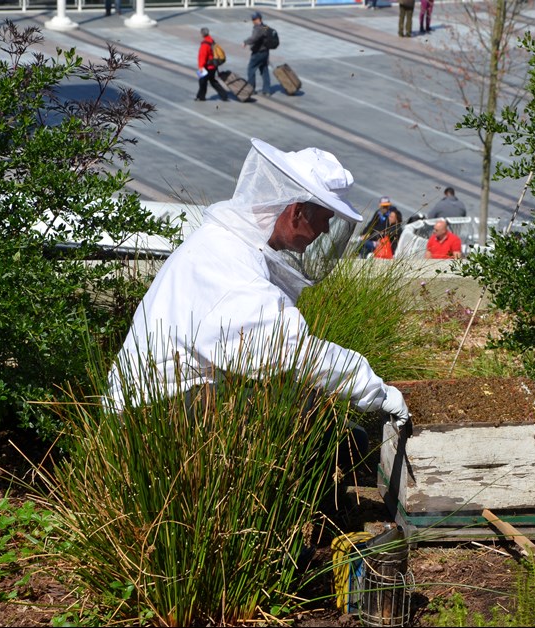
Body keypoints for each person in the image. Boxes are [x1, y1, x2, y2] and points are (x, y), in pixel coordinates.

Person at [107, 139, 412, 491]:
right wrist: (374, 390)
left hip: (162, 407)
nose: (326, 231)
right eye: (325, 219)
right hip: (152, 422)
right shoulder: (230, 265)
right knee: (328, 438)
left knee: (332, 427)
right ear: (297, 211)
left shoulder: (227, 243)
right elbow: (294, 353)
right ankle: (283, 537)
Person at [195, 28, 229, 103]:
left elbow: (202, 56)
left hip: (206, 66)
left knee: (202, 81)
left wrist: (201, 67)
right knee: (212, 81)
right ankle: (224, 95)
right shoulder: (211, 41)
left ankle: (201, 97)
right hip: (213, 66)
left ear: (202, 34)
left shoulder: (204, 44)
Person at [243, 12, 273, 97]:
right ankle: (267, 90)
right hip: (265, 52)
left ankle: (251, 89)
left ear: (258, 19)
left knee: (251, 69)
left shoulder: (258, 28)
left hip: (258, 53)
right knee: (264, 70)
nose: (252, 21)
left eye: (253, 19)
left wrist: (245, 42)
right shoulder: (265, 26)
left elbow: (254, 38)